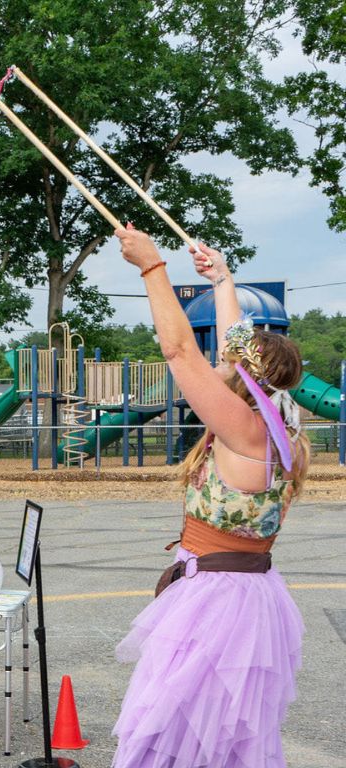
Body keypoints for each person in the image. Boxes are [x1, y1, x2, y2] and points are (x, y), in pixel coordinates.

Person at [111, 225, 311, 768]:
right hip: (243, 593)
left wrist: (153, 267)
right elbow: (234, 345)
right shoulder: (278, 424)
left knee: (180, 736)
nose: (218, 361)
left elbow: (178, 351)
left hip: (217, 600)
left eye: (230, 360)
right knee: (213, 738)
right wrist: (223, 279)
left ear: (246, 377)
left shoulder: (244, 428)